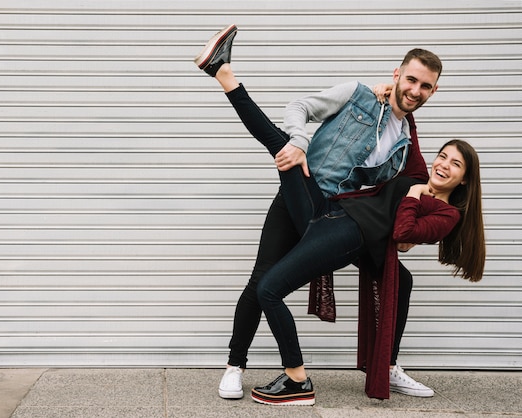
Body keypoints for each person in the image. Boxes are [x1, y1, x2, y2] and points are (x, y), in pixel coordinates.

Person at [193, 25, 481, 402]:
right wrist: (299, 141)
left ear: (433, 91)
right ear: (396, 74)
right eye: (411, 80)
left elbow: (420, 186)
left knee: (402, 280)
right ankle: (235, 365)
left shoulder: (407, 141)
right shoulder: (359, 94)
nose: (415, 90)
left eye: (425, 86)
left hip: (338, 215)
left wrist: (414, 229)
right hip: (303, 192)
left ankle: (388, 366)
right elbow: (300, 107)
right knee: (261, 279)